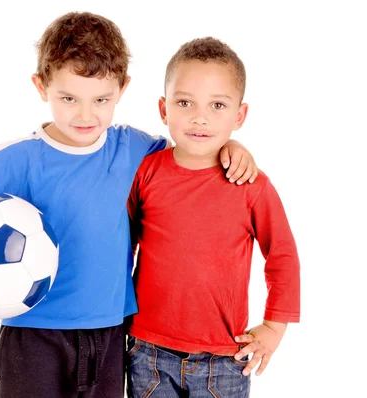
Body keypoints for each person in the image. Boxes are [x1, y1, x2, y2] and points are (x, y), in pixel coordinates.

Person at [0, 14, 258, 398]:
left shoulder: (132, 148)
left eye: (101, 100)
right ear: (41, 86)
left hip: (110, 333)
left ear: (122, 90)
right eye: (68, 98)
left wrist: (231, 146)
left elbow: (192, 149)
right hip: (34, 335)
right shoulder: (23, 157)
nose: (85, 115)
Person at [126, 37, 300, 397]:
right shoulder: (146, 172)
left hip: (223, 358)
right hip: (148, 351)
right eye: (184, 102)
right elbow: (120, 243)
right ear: (163, 109)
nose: (199, 117)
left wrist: (274, 328)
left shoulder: (250, 183)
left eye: (217, 105)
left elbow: (282, 255)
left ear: (240, 115)